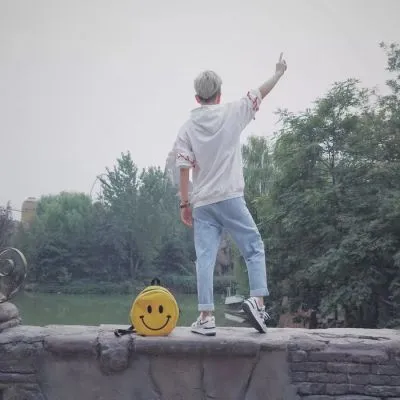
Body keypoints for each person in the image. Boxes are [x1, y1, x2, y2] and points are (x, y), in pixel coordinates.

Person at [171, 53, 287, 336]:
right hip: (230, 197)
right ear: (219, 95)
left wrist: (184, 204)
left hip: (203, 203)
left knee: (205, 259)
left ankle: (206, 317)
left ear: (197, 97)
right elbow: (259, 93)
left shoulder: (187, 128)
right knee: (253, 246)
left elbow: (183, 168)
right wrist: (278, 72)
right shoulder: (233, 112)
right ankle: (258, 303)